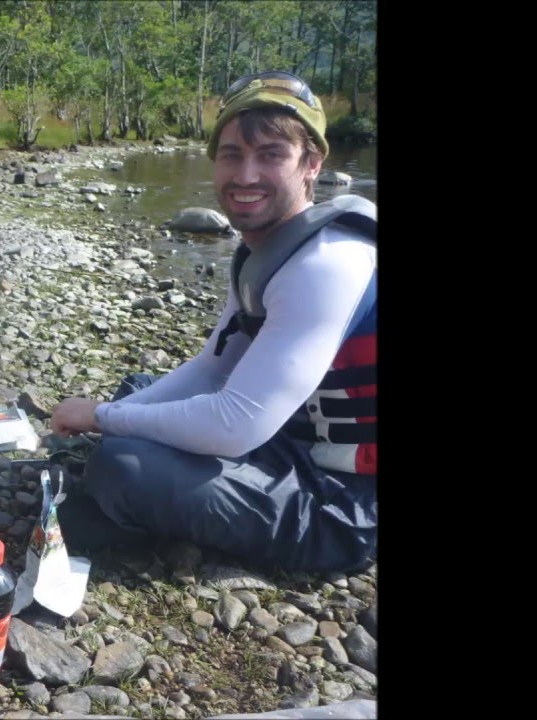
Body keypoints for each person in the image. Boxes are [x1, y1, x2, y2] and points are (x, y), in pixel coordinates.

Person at [49, 71, 376, 574]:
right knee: (138, 391)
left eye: (270, 155)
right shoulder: (265, 249)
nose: (245, 175)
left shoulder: (327, 263)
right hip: (287, 437)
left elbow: (236, 424)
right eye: (231, 155)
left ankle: (133, 517)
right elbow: (210, 370)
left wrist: (102, 418)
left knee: (123, 463)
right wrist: (114, 411)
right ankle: (142, 500)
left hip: (342, 500)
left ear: (312, 163)